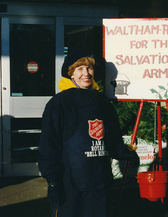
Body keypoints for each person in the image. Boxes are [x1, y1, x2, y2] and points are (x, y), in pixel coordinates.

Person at [38, 48, 139, 217]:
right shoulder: (59, 103)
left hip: (100, 182)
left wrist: (123, 152)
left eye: (89, 68)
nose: (86, 73)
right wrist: (53, 181)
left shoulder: (102, 102)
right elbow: (49, 145)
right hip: (71, 184)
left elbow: (112, 137)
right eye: (80, 69)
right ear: (71, 74)